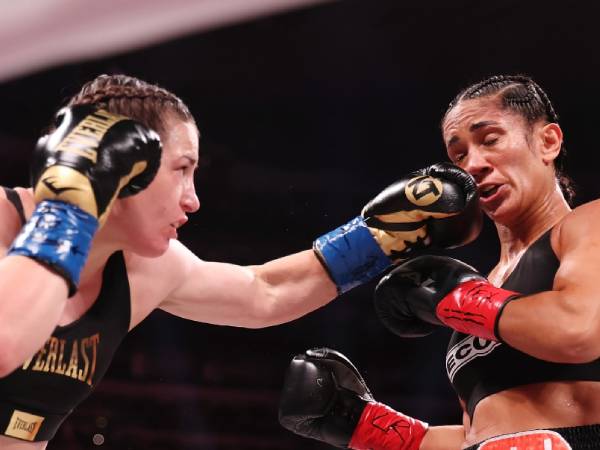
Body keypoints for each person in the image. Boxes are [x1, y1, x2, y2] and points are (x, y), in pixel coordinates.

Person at [0, 73, 481, 448]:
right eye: (182, 170)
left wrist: (378, 239)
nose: (193, 200)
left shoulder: (145, 268)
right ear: (122, 164)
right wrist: (74, 201)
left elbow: (264, 293)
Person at [278, 74, 600, 450]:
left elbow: (579, 330)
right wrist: (368, 426)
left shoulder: (587, 223)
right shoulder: (483, 288)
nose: (474, 163)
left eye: (490, 139)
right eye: (459, 154)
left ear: (548, 142)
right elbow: (481, 433)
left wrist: (460, 298)